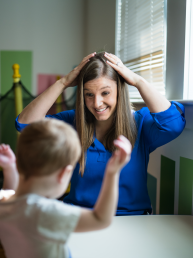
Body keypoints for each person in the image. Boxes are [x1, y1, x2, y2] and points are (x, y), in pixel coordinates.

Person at [15, 52, 186, 215]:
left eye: (105, 93)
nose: (97, 103)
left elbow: (173, 125)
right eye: (89, 94)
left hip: (131, 219)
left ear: (119, 90)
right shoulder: (72, 122)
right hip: (80, 216)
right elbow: (25, 125)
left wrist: (137, 81)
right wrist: (63, 83)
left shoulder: (141, 123)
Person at [0, 119, 131, 258]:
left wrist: (9, 169)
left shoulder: (1, 204)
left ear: (20, 163)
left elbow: (8, 192)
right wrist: (112, 172)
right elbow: (100, 219)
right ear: (64, 174)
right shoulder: (45, 213)